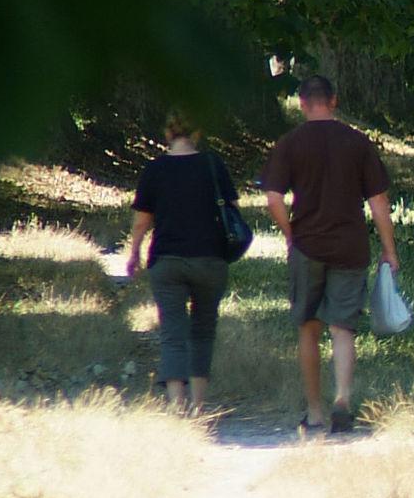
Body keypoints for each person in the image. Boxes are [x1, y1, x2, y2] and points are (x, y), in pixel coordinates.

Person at [260, 74, 399, 437]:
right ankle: (342, 400)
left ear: (302, 103)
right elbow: (379, 202)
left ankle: (315, 412)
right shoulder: (357, 142)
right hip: (350, 247)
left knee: (309, 328)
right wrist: (389, 250)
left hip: (308, 246)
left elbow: (273, 199)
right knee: (343, 329)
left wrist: (292, 235)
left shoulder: (289, 143)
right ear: (333, 101)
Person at [124, 114, 241, 416]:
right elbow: (233, 211)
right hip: (210, 259)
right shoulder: (214, 166)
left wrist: (134, 253)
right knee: (203, 329)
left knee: (173, 332)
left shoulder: (155, 169)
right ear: (198, 132)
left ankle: (177, 407)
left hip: (167, 261)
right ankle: (199, 406)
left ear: (167, 131)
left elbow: (141, 222)